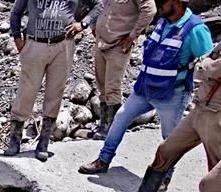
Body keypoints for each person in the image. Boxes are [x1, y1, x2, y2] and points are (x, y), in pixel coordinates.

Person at [115, 12, 221, 192]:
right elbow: (206, 65)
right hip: (201, 109)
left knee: (218, 174)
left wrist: (204, 64)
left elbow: (211, 69)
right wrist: (205, 64)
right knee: (167, 149)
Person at [78, 0, 211, 177]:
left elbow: (209, 65)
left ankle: (164, 175)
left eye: (163, 1)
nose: (159, 5)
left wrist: (203, 97)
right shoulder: (164, 21)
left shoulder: (195, 29)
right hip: (145, 88)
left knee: (169, 138)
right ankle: (104, 159)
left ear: (177, 3)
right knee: (120, 118)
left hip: (172, 93)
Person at [5, 0, 103, 161]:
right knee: (26, 92)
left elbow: (98, 5)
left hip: (63, 44)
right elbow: (16, 12)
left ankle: (44, 142)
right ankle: (14, 140)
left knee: (55, 92)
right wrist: (17, 37)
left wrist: (83, 24)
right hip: (35, 43)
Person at [90, 0, 157, 139]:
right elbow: (98, 6)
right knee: (101, 85)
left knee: (112, 87)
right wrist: (93, 24)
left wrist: (133, 35)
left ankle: (114, 128)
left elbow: (149, 10)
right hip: (101, 42)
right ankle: (104, 124)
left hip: (119, 45)